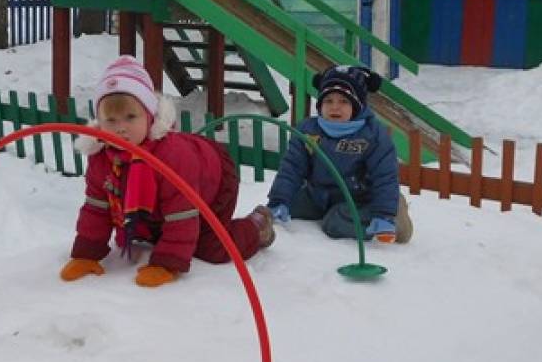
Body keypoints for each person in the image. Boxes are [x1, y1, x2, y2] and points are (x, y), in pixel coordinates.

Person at [60, 56, 274, 288]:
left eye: (130, 117)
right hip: (162, 204)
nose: (120, 127)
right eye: (110, 120)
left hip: (211, 182)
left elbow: (181, 213)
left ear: (150, 115)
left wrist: (167, 262)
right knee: (152, 231)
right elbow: (97, 208)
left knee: (211, 247)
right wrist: (86, 253)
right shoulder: (101, 157)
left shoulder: (172, 157)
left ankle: (257, 226)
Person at [267, 65, 412, 243]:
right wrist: (279, 200)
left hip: (360, 199)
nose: (335, 107)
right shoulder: (308, 130)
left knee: (334, 224)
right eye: (328, 101)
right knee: (287, 207)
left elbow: (385, 176)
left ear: (357, 105)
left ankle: (394, 217)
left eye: (344, 101)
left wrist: (384, 213)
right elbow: (292, 167)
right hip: (319, 196)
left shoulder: (372, 135)